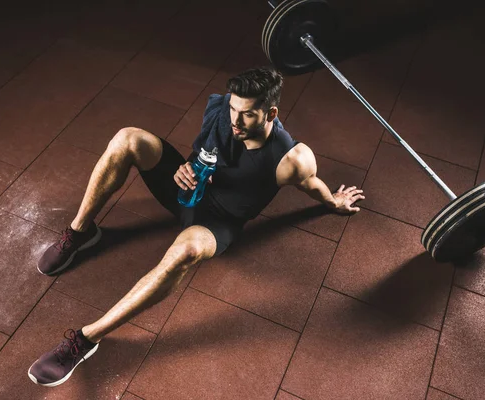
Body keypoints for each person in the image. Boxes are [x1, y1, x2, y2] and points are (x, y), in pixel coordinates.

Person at [27, 67, 364, 387]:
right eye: (234, 109)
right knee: (127, 138)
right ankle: (81, 232)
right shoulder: (221, 110)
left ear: (271, 114)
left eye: (247, 113)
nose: (235, 120)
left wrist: (333, 201)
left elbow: (312, 183)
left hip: (217, 223)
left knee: (185, 251)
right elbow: (201, 153)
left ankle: (86, 340)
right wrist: (182, 169)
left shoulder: (290, 158)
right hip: (185, 191)